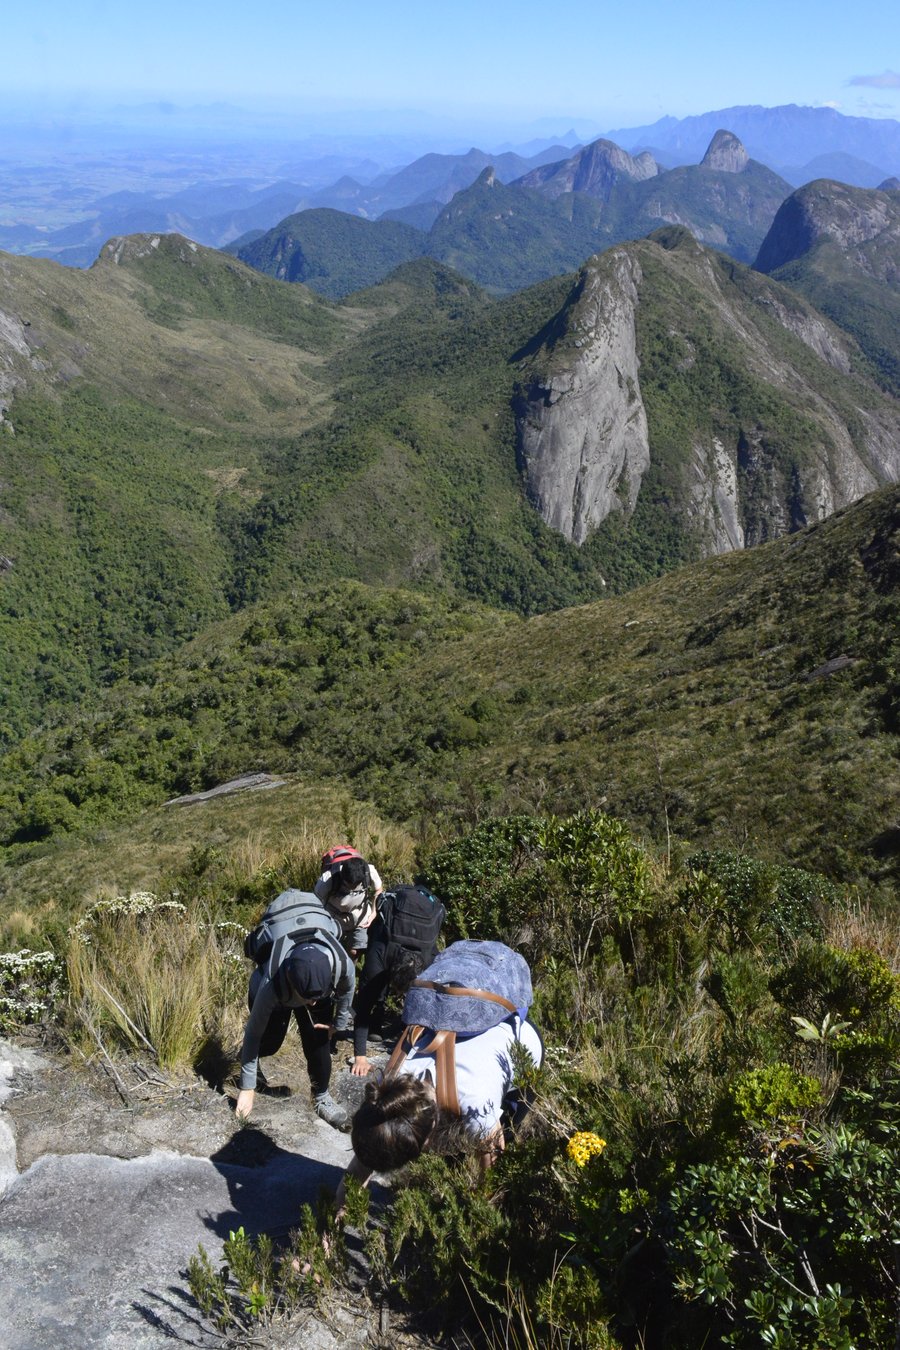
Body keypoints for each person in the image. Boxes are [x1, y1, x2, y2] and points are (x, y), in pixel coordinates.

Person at [339, 941, 542, 1197]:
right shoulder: (389, 1091)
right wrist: (338, 1211)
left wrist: (481, 1207)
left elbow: (492, 1157)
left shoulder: (474, 1098)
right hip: (465, 1028)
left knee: (502, 1132)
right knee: (460, 1144)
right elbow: (370, 1151)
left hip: (523, 1047)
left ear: (426, 1143)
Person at [236, 890, 355, 1129]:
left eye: (316, 998)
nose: (312, 1004)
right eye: (307, 999)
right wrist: (247, 1089)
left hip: (310, 969)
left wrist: (338, 1024)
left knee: (319, 1040)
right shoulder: (271, 981)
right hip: (281, 983)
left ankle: (321, 1098)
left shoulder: (341, 964)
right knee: (270, 1041)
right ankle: (250, 1066)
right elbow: (253, 1032)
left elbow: (347, 991)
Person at [350, 883, 446, 1077]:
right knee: (372, 986)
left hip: (420, 922)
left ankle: (404, 1028)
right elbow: (362, 1006)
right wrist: (360, 1056)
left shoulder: (430, 962)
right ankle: (377, 1017)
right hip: (388, 932)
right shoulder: (380, 953)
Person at [314, 849, 383, 956]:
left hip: (361, 916)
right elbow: (316, 901)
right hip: (334, 918)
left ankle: (350, 970)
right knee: (332, 950)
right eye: (348, 884)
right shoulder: (329, 878)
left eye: (355, 885)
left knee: (355, 951)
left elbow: (378, 889)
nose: (352, 888)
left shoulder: (369, 872)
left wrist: (374, 912)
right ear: (342, 875)